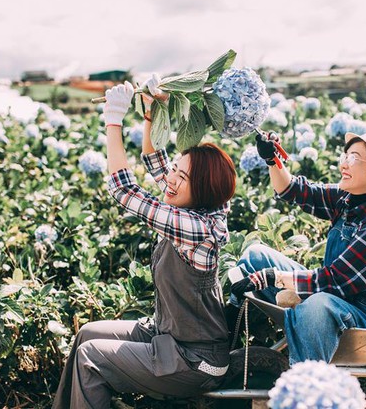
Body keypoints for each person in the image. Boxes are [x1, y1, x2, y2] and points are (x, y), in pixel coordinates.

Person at [53, 76, 237, 409]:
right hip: (168, 336)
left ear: (203, 189)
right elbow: (154, 157)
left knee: (90, 357)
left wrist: (114, 120)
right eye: (176, 170)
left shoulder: (195, 228)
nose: (171, 179)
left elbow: (124, 191)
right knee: (87, 335)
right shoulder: (196, 204)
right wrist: (153, 113)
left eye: (182, 177)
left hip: (194, 361)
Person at [230, 128, 366, 365]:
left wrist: (274, 277)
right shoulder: (346, 199)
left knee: (317, 305)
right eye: (345, 156)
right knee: (255, 255)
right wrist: (271, 159)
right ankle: (238, 332)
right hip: (333, 296)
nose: (344, 164)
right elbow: (293, 190)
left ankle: (307, 383)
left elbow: (338, 280)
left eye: (354, 158)